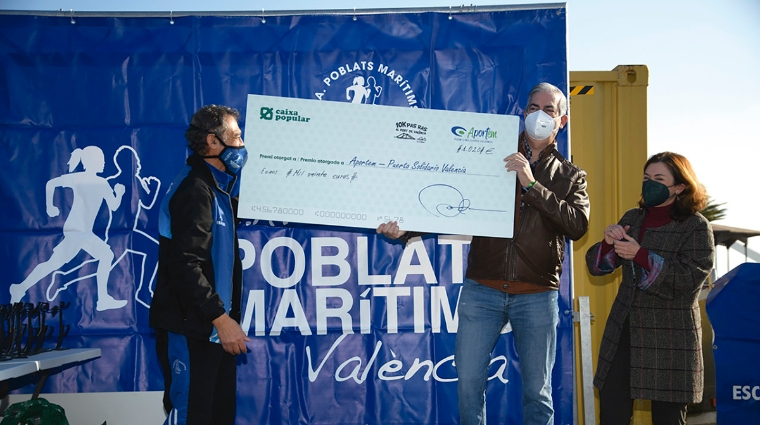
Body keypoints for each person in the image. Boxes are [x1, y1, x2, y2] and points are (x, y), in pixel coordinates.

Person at [378, 82, 590, 425]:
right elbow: (452, 201)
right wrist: (407, 230)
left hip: (537, 295)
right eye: (533, 107)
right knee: (469, 387)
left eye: (549, 110)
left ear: (562, 121)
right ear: (524, 114)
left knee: (539, 392)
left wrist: (531, 185)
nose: (540, 115)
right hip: (482, 290)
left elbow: (578, 225)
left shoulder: (571, 175)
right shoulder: (490, 154)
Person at [585, 152, 714, 425]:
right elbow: (597, 267)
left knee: (668, 418)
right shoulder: (634, 217)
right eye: (646, 178)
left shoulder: (696, 226)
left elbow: (689, 280)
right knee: (612, 412)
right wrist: (609, 243)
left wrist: (641, 255)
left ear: (680, 187)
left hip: (671, 337)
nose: (649, 184)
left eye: (658, 178)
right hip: (624, 330)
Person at [149, 104, 251, 425]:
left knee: (218, 416)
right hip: (192, 328)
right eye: (235, 137)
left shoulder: (219, 189)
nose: (242, 145)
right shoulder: (195, 188)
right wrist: (220, 320)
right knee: (193, 416)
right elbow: (185, 265)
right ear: (213, 141)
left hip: (211, 330)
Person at [9, 146, 127, 311]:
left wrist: (51, 206)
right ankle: (102, 300)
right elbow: (114, 206)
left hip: (77, 230)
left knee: (53, 263)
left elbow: (51, 184)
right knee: (106, 255)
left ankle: (19, 288)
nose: (104, 163)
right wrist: (119, 193)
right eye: (101, 160)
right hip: (79, 232)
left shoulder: (81, 179)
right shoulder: (101, 183)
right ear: (93, 162)